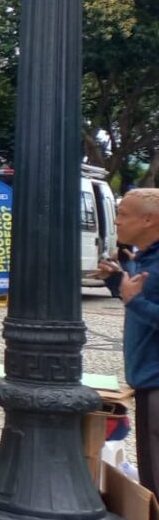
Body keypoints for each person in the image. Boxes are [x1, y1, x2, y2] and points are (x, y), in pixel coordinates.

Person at [99, 189, 159, 494]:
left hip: (156, 384)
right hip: (146, 382)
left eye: (123, 214)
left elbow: (141, 302)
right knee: (150, 475)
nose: (116, 222)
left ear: (148, 219)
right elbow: (137, 295)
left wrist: (135, 302)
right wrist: (116, 281)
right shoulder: (144, 257)